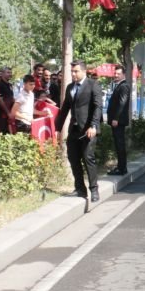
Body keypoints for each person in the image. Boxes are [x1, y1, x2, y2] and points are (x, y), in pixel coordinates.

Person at [55, 60, 104, 202]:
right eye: (72, 71)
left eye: (76, 71)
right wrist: (58, 128)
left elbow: (98, 106)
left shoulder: (93, 84)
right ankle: (80, 189)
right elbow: (65, 108)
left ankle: (94, 189)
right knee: (73, 158)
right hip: (74, 129)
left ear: (84, 71)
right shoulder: (70, 87)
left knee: (88, 158)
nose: (73, 74)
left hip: (89, 129)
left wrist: (93, 125)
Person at [106, 64, 131, 175]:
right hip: (117, 120)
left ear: (124, 74)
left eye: (118, 74)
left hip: (118, 121)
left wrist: (116, 118)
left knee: (120, 144)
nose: (116, 75)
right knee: (118, 144)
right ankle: (121, 167)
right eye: (115, 73)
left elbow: (122, 103)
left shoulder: (124, 86)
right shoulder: (119, 85)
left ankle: (122, 168)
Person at [0, 66, 15, 134]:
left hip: (10, 113)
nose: (10, 74)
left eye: (10, 73)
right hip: (2, 114)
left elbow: (11, 98)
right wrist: (8, 113)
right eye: (8, 72)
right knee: (3, 132)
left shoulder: (10, 85)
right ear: (2, 74)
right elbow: (0, 100)